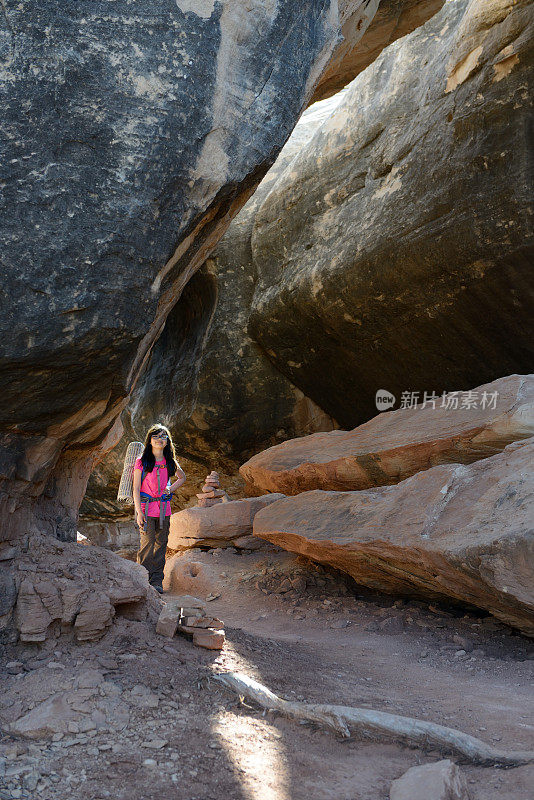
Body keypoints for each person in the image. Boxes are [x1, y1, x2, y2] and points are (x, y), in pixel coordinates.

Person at [133, 424, 186, 593]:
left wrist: (170, 489)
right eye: (156, 436)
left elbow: (182, 477)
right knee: (147, 544)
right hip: (146, 509)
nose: (159, 439)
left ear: (167, 441)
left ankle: (157, 581)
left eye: (163, 436)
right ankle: (143, 580)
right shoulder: (142, 462)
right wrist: (139, 512)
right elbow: (135, 488)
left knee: (161, 545)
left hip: (164, 510)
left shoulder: (170, 462)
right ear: (149, 440)